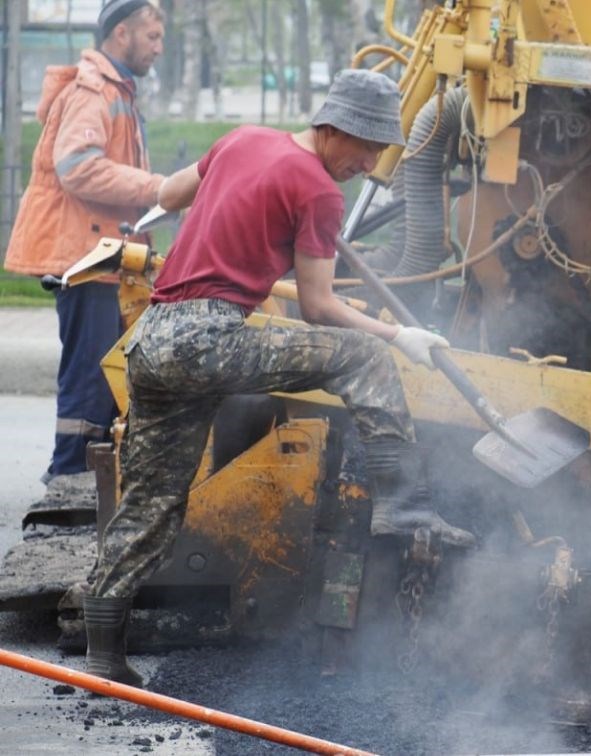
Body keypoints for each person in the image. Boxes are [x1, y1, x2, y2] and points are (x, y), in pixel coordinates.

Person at [83, 69, 475, 688]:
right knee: (364, 357)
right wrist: (401, 337)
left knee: (153, 504)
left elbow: (175, 193)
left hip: (154, 339)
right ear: (333, 127)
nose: (371, 162)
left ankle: (102, 657)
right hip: (210, 336)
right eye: (368, 146)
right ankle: (405, 506)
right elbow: (320, 306)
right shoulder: (320, 192)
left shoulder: (241, 140)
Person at [5, 0, 166, 486]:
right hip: (87, 260)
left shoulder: (117, 91)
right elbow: (77, 167)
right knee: (89, 379)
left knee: (106, 378)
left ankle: (89, 481)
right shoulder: (94, 91)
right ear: (122, 35)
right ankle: (69, 479)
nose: (159, 48)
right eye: (152, 37)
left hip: (104, 259)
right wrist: (156, 187)